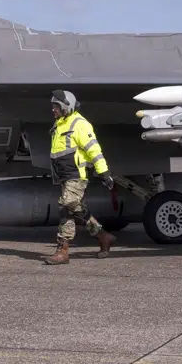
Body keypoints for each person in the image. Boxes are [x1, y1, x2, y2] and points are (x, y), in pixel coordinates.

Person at [43, 90, 117, 265]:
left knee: (66, 204)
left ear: (66, 106)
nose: (53, 110)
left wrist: (104, 173)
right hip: (64, 176)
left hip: (77, 175)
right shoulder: (60, 124)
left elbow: (94, 150)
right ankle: (103, 236)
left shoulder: (80, 124)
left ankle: (63, 250)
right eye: (53, 106)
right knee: (70, 210)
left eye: (57, 106)